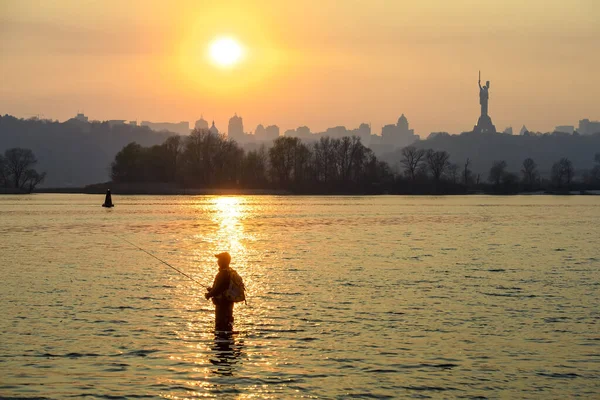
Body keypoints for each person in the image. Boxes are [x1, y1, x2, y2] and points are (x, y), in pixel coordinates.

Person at [205, 252, 235, 331]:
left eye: (219, 259)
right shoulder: (229, 272)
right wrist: (212, 290)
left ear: (224, 261)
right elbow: (222, 288)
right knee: (227, 323)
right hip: (228, 304)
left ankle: (222, 340)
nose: (218, 261)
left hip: (222, 305)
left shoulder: (222, 274)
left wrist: (209, 294)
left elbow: (217, 289)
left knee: (221, 325)